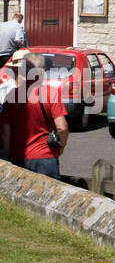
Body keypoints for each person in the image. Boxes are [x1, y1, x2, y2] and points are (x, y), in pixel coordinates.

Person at [0, 50, 68, 178]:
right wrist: (61, 146)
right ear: (41, 71)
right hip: (45, 157)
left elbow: (5, 134)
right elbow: (62, 127)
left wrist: (7, 157)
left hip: (17, 156)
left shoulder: (11, 96)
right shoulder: (50, 94)